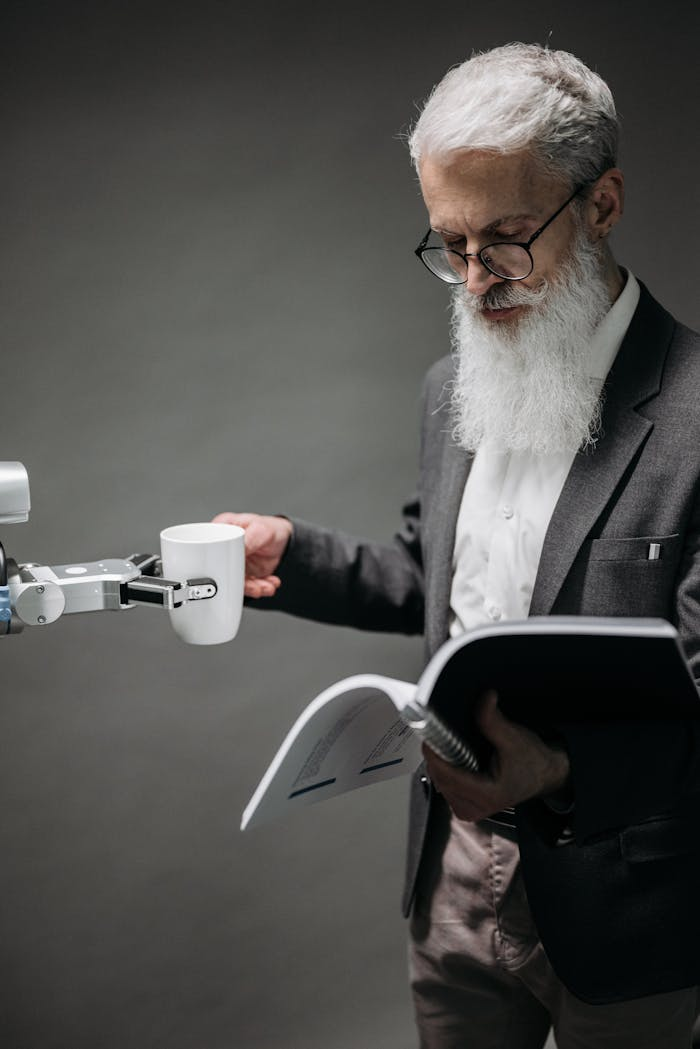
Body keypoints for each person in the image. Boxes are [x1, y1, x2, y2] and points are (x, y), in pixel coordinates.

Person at [215, 44, 700, 1048]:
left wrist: (558, 770)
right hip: (449, 877)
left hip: (633, 895)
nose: (476, 281)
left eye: (507, 238)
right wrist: (291, 554)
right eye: (449, 243)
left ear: (601, 205)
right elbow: (435, 579)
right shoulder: (450, 390)